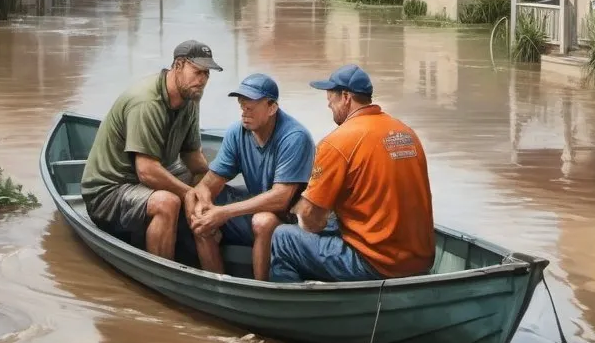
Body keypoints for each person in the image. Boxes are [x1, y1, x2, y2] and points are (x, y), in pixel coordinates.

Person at [268, 64, 435, 284]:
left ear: (346, 97)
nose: (328, 103)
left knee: (283, 237)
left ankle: (289, 311)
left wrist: (298, 210)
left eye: (331, 97)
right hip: (420, 260)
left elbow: (312, 220)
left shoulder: (337, 142)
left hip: (375, 263)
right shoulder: (406, 133)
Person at [80, 39, 223, 263]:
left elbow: (193, 157)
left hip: (144, 181)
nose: (202, 80)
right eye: (197, 72)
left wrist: (207, 188)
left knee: (204, 182)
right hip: (109, 191)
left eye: (207, 74)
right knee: (168, 202)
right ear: (178, 66)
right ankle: (163, 272)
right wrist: (187, 194)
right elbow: (146, 171)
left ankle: (203, 259)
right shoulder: (146, 102)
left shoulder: (190, 98)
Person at [187, 72, 315, 281]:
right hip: (255, 207)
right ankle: (217, 282)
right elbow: (208, 184)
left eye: (250, 108)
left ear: (272, 107)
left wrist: (222, 213)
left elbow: (281, 198)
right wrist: (204, 204)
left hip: (290, 219)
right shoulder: (237, 133)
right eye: (241, 107)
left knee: (262, 222)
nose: (244, 113)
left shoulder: (295, 137)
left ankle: (260, 288)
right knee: (192, 198)